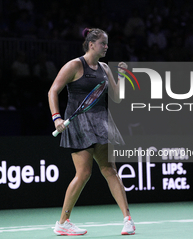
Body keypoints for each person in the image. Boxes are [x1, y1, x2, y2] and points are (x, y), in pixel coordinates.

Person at [48, 28, 135, 236]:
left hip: (101, 122)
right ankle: (63, 222)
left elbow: (116, 97)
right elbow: (53, 90)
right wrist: (56, 117)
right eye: (103, 43)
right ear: (91, 44)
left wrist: (121, 77)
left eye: (107, 43)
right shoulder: (75, 65)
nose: (106, 46)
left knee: (110, 170)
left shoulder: (104, 67)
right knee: (84, 173)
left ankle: (128, 220)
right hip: (78, 124)